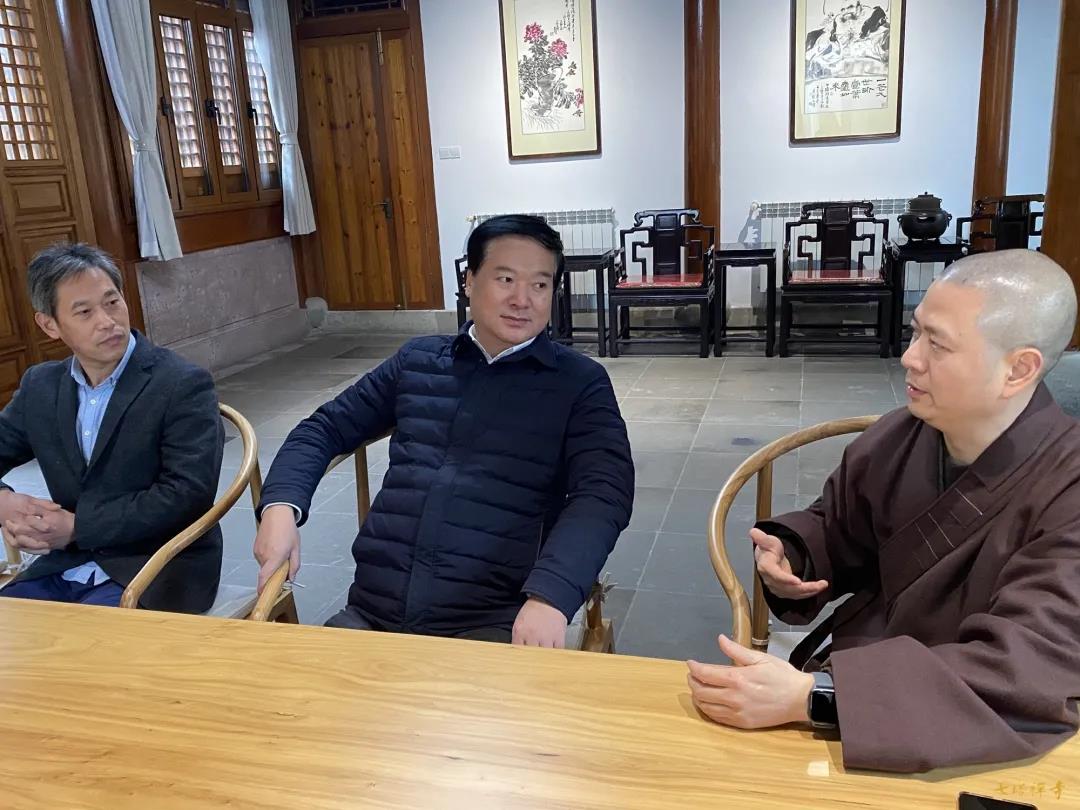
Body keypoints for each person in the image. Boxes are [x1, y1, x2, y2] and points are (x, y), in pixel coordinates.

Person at [687, 249, 1080, 773]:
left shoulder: (1068, 489)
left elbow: (1025, 672)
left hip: (966, 736)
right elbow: (838, 526)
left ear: (1019, 369)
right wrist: (794, 556)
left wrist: (815, 697)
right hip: (863, 679)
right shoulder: (902, 435)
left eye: (937, 344)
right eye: (915, 333)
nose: (910, 358)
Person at [254, 215, 634, 645]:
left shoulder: (579, 383)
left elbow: (604, 493)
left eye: (540, 285)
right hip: (372, 613)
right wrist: (280, 508)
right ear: (469, 280)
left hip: (491, 623)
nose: (522, 299)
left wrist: (551, 595)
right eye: (505, 279)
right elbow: (323, 428)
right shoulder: (418, 360)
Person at [0, 243, 223, 612]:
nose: (107, 321)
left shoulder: (181, 383)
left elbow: (187, 494)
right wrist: (5, 504)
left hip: (157, 564)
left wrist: (77, 527)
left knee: (82, 642)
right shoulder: (41, 386)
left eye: (112, 302)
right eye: (84, 312)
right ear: (49, 325)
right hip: (67, 563)